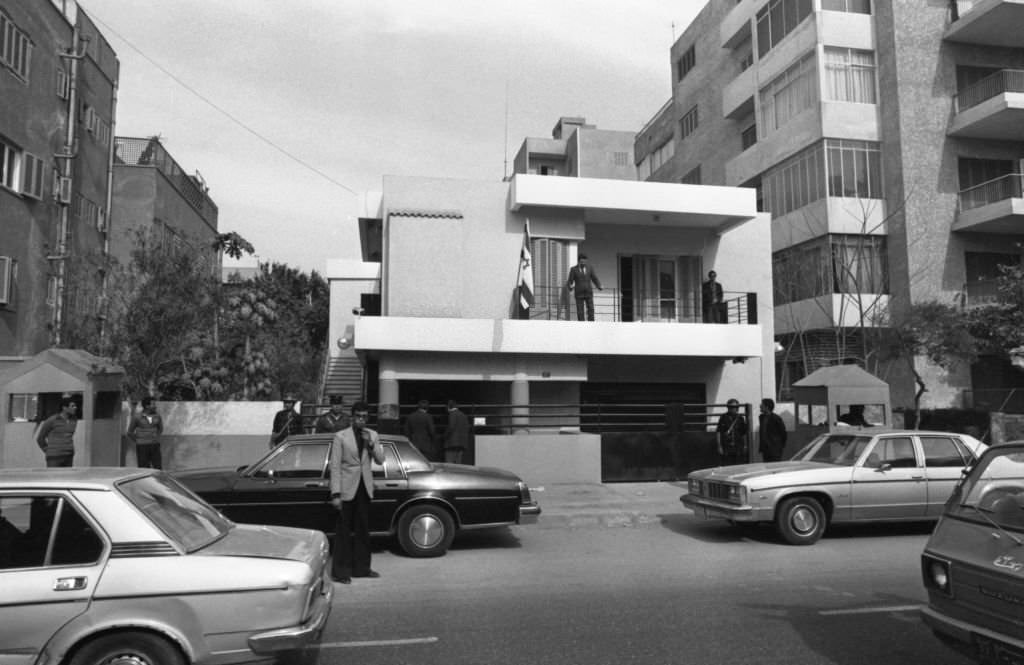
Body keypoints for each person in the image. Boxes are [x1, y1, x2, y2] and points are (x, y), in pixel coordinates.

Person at [328, 401, 385, 584]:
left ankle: (362, 568)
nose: (361, 419)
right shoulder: (340, 436)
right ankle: (341, 572)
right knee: (343, 532)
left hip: (364, 488)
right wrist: (335, 494)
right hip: (346, 488)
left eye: (364, 416)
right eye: (358, 416)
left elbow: (380, 460)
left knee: (363, 530)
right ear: (352, 417)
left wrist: (371, 444)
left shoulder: (372, 435)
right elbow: (335, 466)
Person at [36, 395, 78, 467]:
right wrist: (48, 450)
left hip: (68, 456)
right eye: (72, 406)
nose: (75, 408)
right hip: (54, 457)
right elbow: (40, 438)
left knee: (67, 477)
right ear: (64, 408)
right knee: (53, 477)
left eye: (75, 406)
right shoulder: (52, 420)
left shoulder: (74, 420)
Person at [127, 396, 164, 469]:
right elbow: (129, 432)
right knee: (144, 468)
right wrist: (138, 441)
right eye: (153, 404)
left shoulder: (157, 416)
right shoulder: (137, 417)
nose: (155, 406)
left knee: (158, 467)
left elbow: (160, 429)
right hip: (142, 447)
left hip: (155, 445)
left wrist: (155, 438)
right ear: (147, 406)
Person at [566, 254, 603, 321]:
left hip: (588, 292)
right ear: (579, 261)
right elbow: (569, 281)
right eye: (582, 262)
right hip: (579, 293)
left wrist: (599, 285)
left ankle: (591, 323)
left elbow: (594, 278)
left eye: (585, 262)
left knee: (591, 308)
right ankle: (581, 324)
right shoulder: (573, 269)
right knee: (580, 310)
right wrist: (570, 287)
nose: (583, 263)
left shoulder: (590, 268)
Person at [716, 398, 748, 466]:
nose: (732, 408)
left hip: (738, 446)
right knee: (727, 465)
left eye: (734, 407)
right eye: (730, 407)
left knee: (738, 465)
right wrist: (719, 446)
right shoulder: (723, 417)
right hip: (727, 447)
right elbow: (719, 432)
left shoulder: (740, 418)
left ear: (737, 408)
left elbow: (743, 433)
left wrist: (745, 445)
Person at [757, 398, 787, 463]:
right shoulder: (761, 417)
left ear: (767, 407)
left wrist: (779, 446)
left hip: (775, 449)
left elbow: (783, 433)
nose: (760, 406)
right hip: (765, 449)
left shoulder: (776, 418)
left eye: (762, 405)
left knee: (775, 467)